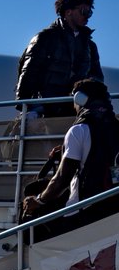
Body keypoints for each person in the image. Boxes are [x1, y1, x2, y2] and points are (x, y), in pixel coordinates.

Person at [21, 79, 119, 225]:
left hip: (85, 208)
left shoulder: (78, 130)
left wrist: (39, 200)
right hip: (113, 206)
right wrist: (65, 150)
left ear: (80, 99)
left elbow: (62, 178)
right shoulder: (115, 126)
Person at [16, 0, 103, 119]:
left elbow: (97, 78)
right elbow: (28, 72)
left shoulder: (90, 46)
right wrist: (26, 107)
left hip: (76, 108)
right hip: (45, 107)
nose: (87, 16)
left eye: (90, 12)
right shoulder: (45, 38)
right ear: (68, 12)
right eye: (84, 11)